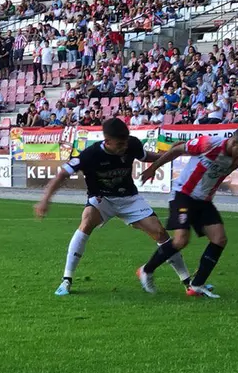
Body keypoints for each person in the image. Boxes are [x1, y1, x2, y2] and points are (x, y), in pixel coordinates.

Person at [34, 119, 191, 296]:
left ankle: (188, 282)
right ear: (107, 141)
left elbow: (147, 156)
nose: (124, 147)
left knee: (160, 233)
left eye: (125, 143)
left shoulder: (131, 144)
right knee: (86, 222)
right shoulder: (90, 155)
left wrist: (171, 153)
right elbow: (62, 174)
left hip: (129, 198)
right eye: (119, 144)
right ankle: (66, 280)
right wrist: (45, 200)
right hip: (102, 199)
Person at [138, 128, 238, 297]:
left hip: (204, 201)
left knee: (219, 239)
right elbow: (177, 149)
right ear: (234, 142)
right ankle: (146, 270)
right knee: (181, 240)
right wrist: (153, 167)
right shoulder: (209, 143)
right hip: (183, 194)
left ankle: (197, 285)